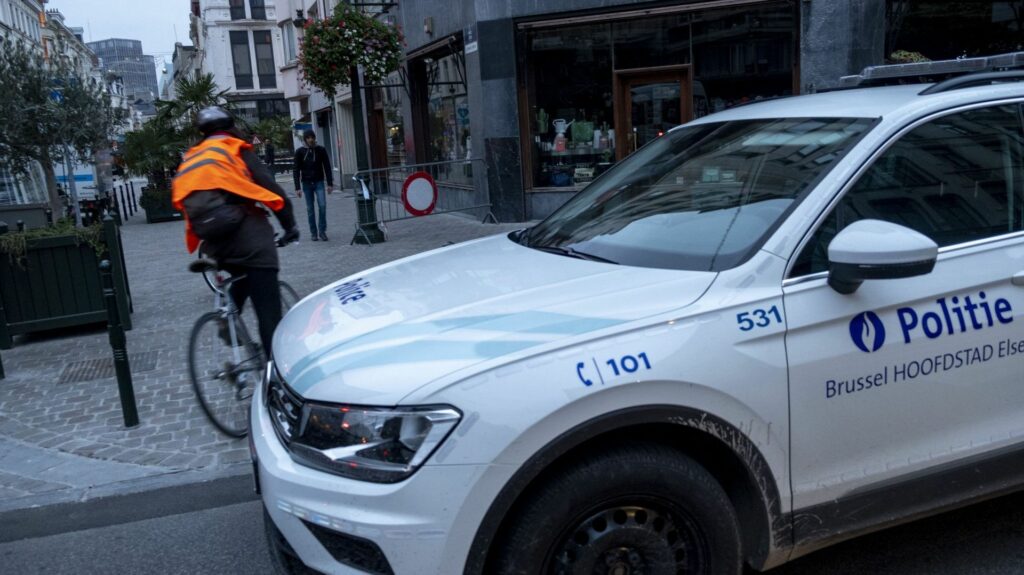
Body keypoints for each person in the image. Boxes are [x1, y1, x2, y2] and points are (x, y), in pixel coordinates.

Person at [171, 106, 299, 357]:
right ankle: (275, 375)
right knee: (267, 307)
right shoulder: (234, 148)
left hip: (211, 241)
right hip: (247, 235)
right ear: (230, 127)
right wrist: (289, 226)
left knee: (240, 271)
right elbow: (271, 188)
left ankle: (229, 317)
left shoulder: (192, 157)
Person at [293, 130, 333, 241]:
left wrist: (329, 183)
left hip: (319, 182)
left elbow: (327, 167)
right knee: (310, 209)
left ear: (314, 138)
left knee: (322, 206)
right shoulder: (300, 152)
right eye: (308, 137)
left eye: (312, 137)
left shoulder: (321, 150)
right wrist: (297, 188)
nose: (311, 139)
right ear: (305, 139)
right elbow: (296, 170)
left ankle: (322, 231)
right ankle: (313, 233)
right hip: (306, 183)